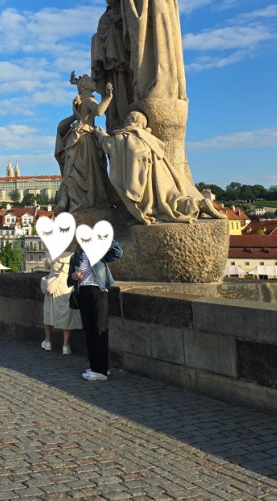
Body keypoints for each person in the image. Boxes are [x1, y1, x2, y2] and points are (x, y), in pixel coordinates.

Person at [96, 111, 218, 224]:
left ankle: (195, 204)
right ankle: (197, 204)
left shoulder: (121, 137)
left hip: (141, 180)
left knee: (156, 204)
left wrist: (100, 134)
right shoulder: (148, 138)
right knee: (170, 198)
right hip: (161, 174)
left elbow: (108, 145)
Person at [119, 0, 187, 106]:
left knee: (151, 53)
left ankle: (154, 87)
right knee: (157, 51)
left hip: (152, 18)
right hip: (159, 15)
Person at [54, 75, 117, 214]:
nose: (93, 81)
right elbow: (99, 111)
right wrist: (108, 97)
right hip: (85, 138)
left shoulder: (80, 100)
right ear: (85, 86)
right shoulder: (89, 100)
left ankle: (68, 200)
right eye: (90, 80)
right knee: (89, 173)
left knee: (71, 172)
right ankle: (89, 200)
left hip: (75, 136)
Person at [68, 238, 123, 380]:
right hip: (82, 293)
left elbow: (118, 253)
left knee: (100, 328)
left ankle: (101, 371)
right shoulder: (75, 257)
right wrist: (73, 277)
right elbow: (69, 280)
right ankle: (95, 366)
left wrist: (109, 240)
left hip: (98, 292)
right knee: (89, 330)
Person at [90, 0, 132, 133]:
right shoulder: (104, 18)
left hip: (124, 62)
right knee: (95, 37)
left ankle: (126, 120)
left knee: (125, 94)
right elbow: (100, 35)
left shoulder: (125, 12)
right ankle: (114, 124)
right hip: (108, 66)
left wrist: (114, 32)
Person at [40, 251, 81, 355]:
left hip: (52, 284)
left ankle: (48, 341)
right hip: (66, 285)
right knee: (67, 315)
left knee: (48, 312)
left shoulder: (53, 250)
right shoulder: (72, 253)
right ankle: (65, 346)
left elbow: (47, 265)